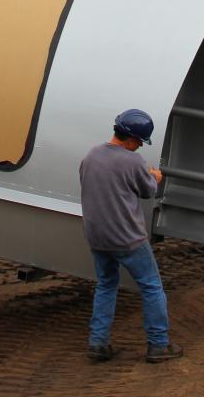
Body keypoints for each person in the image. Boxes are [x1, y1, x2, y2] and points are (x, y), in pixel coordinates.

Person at [78, 108, 183, 364]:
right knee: (151, 287)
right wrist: (154, 177)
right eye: (139, 141)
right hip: (128, 239)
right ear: (132, 138)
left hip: (97, 236)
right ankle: (159, 345)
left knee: (106, 285)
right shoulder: (133, 161)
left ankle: (98, 343)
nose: (139, 146)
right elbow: (148, 192)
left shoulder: (91, 155)